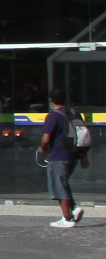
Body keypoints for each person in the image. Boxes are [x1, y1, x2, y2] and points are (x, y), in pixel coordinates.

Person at [37, 86, 88, 228]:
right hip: (74, 154)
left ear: (50, 100)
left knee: (59, 186)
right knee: (63, 183)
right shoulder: (74, 112)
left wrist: (42, 148)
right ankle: (75, 208)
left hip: (59, 155)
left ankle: (67, 219)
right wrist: (84, 155)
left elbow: (46, 139)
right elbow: (82, 134)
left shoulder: (53, 116)